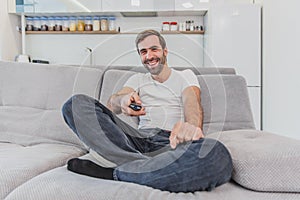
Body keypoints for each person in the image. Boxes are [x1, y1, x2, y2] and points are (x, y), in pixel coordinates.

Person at [62, 29, 233, 193]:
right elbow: (113, 102)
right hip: (135, 141)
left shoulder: (185, 75)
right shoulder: (136, 79)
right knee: (75, 104)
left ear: (165, 51)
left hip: (171, 143)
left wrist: (191, 127)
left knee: (217, 155)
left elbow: (192, 103)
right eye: (143, 52)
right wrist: (122, 100)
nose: (149, 56)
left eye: (154, 49)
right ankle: (142, 167)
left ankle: (116, 173)